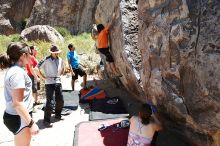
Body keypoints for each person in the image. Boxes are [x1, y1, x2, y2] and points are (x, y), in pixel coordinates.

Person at [0, 42, 39, 146]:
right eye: (30, 53)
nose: (32, 55)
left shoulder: (14, 70)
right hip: (19, 116)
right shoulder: (17, 73)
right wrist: (31, 123)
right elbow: (18, 103)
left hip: (16, 115)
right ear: (23, 55)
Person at [36, 45, 64, 127]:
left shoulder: (60, 59)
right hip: (49, 83)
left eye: (57, 52)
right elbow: (36, 68)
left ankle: (58, 115)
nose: (56, 54)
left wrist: (61, 74)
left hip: (58, 81)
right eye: (55, 53)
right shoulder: (46, 59)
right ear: (51, 53)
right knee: (50, 102)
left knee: (60, 100)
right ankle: (46, 120)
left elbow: (62, 68)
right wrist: (43, 77)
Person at [96, 13, 122, 77]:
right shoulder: (103, 31)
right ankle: (115, 72)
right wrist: (113, 16)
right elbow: (110, 24)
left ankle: (112, 71)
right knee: (111, 59)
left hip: (101, 49)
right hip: (103, 49)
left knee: (109, 59)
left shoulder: (100, 34)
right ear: (102, 28)